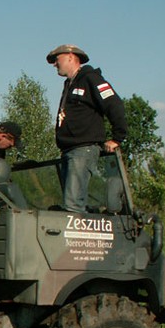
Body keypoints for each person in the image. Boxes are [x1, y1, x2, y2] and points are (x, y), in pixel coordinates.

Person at [47, 44, 127, 213]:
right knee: (71, 203)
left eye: (57, 59)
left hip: (83, 149)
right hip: (69, 151)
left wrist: (117, 138)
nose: (55, 64)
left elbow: (114, 104)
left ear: (70, 56)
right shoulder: (69, 84)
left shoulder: (91, 79)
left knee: (73, 205)